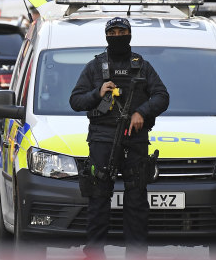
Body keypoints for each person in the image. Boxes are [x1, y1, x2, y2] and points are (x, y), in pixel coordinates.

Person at [69, 17, 169, 259]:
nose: (116, 35)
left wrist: (141, 112)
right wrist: (98, 92)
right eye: (112, 32)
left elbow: (162, 96)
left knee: (136, 201)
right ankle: (94, 253)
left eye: (121, 31)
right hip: (103, 140)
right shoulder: (95, 67)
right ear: (106, 36)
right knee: (98, 199)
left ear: (129, 34)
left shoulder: (142, 66)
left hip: (134, 140)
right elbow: (75, 101)